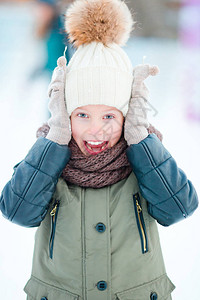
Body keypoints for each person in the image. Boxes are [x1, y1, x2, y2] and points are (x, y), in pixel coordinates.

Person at [0, 0, 198, 299]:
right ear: (64, 114)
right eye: (82, 115)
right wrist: (53, 141)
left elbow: (178, 208)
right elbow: (18, 211)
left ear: (128, 115)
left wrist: (141, 140)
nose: (95, 129)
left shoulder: (142, 159)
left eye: (109, 116)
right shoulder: (50, 159)